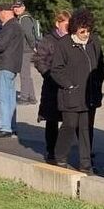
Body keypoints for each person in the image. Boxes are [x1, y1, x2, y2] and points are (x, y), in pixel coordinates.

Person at [50, 9, 104, 172]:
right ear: (74, 29)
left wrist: (97, 85)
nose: (86, 34)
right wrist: (69, 85)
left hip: (89, 95)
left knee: (86, 129)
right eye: (82, 31)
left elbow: (99, 66)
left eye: (88, 31)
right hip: (71, 94)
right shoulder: (64, 44)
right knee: (69, 125)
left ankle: (86, 164)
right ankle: (60, 156)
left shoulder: (94, 42)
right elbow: (56, 69)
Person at [33, 9, 71, 163]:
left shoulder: (72, 40)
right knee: (52, 119)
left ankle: (62, 149)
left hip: (67, 85)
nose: (68, 28)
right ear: (58, 24)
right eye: (66, 24)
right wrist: (48, 74)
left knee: (69, 120)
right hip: (52, 85)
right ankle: (51, 150)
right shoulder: (49, 40)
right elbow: (39, 59)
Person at [0, 3, 23, 138]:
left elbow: (0, 46)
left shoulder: (9, 26)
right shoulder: (16, 25)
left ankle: (4, 127)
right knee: (10, 97)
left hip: (4, 64)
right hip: (13, 65)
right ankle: (11, 126)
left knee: (2, 97)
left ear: (5, 12)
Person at [12, 1, 40, 105]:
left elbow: (29, 35)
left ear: (23, 7)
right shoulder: (24, 18)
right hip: (27, 49)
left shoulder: (24, 19)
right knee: (26, 74)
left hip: (26, 50)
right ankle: (32, 97)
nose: (16, 9)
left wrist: (33, 46)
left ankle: (24, 98)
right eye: (15, 7)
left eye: (18, 7)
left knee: (24, 74)